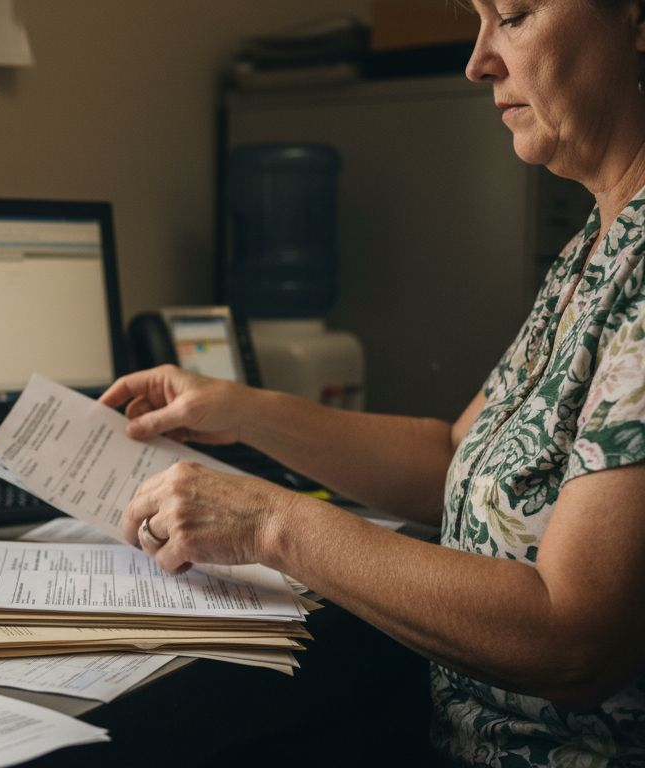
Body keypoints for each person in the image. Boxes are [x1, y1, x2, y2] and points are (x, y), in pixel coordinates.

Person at [100, 1, 645, 765]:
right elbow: (453, 455)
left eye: (515, 14)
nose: (479, 59)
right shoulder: (599, 241)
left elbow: (575, 639)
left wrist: (269, 523)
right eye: (477, 19)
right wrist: (242, 411)